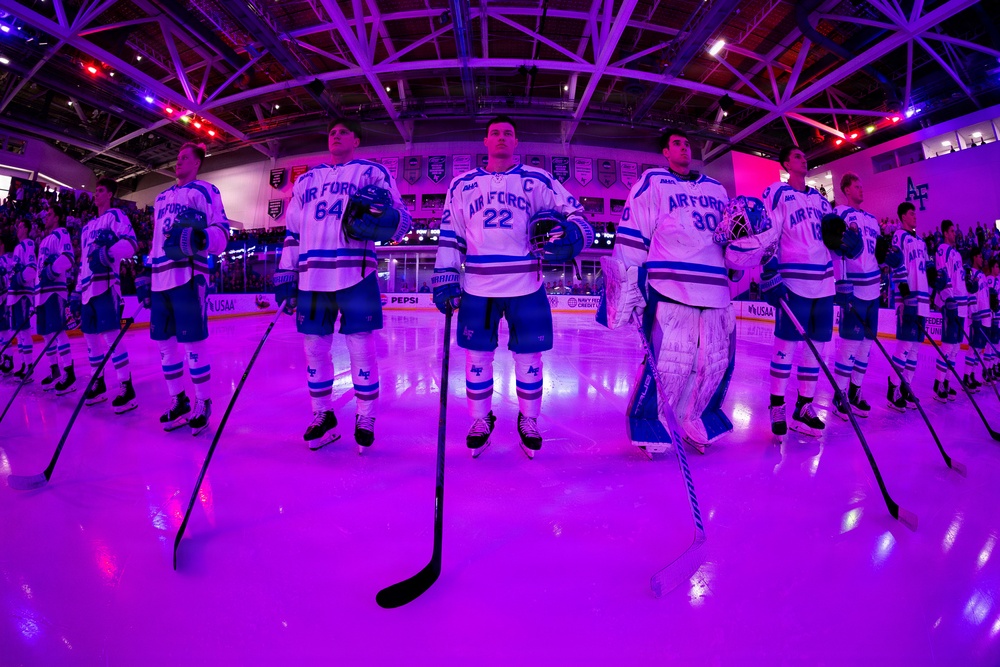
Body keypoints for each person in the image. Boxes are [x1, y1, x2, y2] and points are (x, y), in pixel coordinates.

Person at [433, 114, 593, 457]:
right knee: (477, 356)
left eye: (508, 133)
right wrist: (446, 274)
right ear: (486, 142)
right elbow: (451, 234)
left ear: (516, 142)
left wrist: (574, 233)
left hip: (527, 282)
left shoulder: (538, 179)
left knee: (529, 356)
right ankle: (480, 419)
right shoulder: (461, 184)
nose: (502, 137)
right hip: (478, 284)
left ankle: (529, 419)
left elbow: (576, 213)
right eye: (495, 133)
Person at [274, 118, 411, 450]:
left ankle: (366, 416)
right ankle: (322, 414)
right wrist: (286, 271)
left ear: (357, 140)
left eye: (343, 132)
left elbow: (402, 219)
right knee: (314, 351)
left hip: (356, 274)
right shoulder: (306, 180)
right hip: (311, 276)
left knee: (361, 348)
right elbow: (292, 231)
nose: (336, 136)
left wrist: (385, 222)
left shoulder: (373, 173)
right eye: (332, 132)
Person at [604, 127, 737, 453]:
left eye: (686, 143)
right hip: (670, 286)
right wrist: (627, 286)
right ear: (665, 152)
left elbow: (730, 238)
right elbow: (634, 233)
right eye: (676, 143)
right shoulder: (653, 182)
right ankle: (652, 421)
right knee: (669, 363)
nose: (683, 148)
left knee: (713, 363)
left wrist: (744, 250)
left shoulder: (717, 189)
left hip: (716, 289)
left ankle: (695, 417)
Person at [760, 146, 859, 438]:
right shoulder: (777, 192)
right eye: (797, 156)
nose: (804, 158)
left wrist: (845, 245)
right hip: (793, 282)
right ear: (786, 163)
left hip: (824, 283)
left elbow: (833, 239)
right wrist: (769, 270)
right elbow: (767, 232)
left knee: (817, 349)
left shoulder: (820, 199)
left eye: (805, 155)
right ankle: (776, 403)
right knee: (786, 346)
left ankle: (803, 407)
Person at [143, 142, 230, 435]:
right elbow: (156, 240)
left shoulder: (206, 190)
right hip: (159, 279)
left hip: (188, 275)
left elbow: (221, 231)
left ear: (197, 163)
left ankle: (203, 402)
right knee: (164, 343)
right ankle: (178, 399)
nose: (178, 162)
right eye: (177, 157)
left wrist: (200, 238)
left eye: (184, 158)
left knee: (192, 342)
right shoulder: (161, 197)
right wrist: (147, 274)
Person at [75, 177, 140, 412]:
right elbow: (83, 261)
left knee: (111, 337)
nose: (96, 194)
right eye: (96, 190)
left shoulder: (116, 216)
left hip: (106, 286)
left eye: (101, 190)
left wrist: (107, 253)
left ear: (110, 194)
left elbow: (132, 243)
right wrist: (76, 291)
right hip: (86, 291)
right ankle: (98, 383)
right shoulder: (86, 227)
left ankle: (126, 385)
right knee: (90, 339)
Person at [831, 173, 885, 419]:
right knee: (851, 343)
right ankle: (839, 395)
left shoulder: (873, 220)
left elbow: (878, 253)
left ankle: (854, 391)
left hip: (874, 288)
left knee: (866, 345)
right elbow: (836, 250)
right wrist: (840, 281)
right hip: (854, 288)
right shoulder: (840, 213)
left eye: (862, 186)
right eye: (857, 186)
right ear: (846, 189)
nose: (861, 190)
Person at [888, 202, 931, 410]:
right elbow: (897, 264)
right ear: (903, 216)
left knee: (915, 347)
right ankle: (893, 387)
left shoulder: (921, 241)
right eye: (912, 214)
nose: (915, 216)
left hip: (923, 297)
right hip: (910, 296)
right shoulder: (899, 236)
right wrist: (904, 293)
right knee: (905, 344)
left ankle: (906, 386)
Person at [35, 205, 76, 394]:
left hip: (54, 291)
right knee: (46, 333)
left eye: (50, 214)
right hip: (41, 293)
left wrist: (51, 271)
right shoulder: (44, 241)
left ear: (57, 217)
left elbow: (68, 258)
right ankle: (55, 370)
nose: (46, 217)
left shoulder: (61, 234)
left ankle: (69, 372)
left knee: (58, 332)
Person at [932, 219, 968, 402]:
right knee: (947, 345)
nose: (955, 234)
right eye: (952, 231)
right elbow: (942, 274)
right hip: (951, 302)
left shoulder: (957, 254)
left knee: (955, 347)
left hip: (962, 303)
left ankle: (947, 381)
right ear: (946, 232)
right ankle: (938, 384)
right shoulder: (942, 250)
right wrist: (948, 298)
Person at [8, 219, 35, 380]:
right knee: (19, 332)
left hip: (23, 293)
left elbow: (31, 268)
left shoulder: (28, 244)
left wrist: (19, 279)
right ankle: (25, 364)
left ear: (26, 228)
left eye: (19, 226)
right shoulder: (18, 248)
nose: (17, 229)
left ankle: (29, 365)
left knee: (24, 331)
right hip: (16, 294)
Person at [964, 247, 990, 388]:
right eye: (979, 256)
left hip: (986, 316)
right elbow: (971, 295)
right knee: (973, 347)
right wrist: (974, 314)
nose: (981, 259)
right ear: (974, 257)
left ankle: (973, 374)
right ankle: (967, 376)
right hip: (977, 316)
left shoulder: (983, 276)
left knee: (979, 348)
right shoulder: (971, 273)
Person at [0, 237, 14, 374]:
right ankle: (6, 356)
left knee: (4, 330)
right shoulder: (10, 257)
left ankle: (8, 357)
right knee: (3, 331)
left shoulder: (3, 260)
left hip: (5, 298)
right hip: (8, 297)